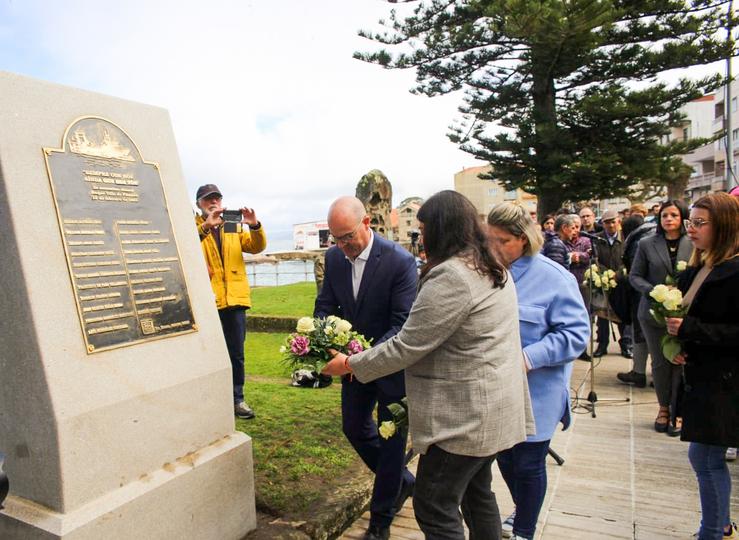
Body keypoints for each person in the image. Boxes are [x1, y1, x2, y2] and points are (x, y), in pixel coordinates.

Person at [322, 190, 533, 540]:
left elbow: (408, 344)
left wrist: (350, 364)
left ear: (442, 229)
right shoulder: (493, 265)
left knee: (434, 506)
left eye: (423, 228)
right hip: (497, 408)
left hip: (466, 420)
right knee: (478, 497)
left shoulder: (452, 276)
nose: (420, 237)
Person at [314, 196, 418, 540]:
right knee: (354, 428)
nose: (342, 246)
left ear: (366, 224)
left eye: (347, 237)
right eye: (335, 238)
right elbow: (325, 306)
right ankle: (401, 481)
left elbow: (401, 325)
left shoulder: (400, 262)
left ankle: (381, 520)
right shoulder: (334, 258)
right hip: (352, 366)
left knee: (392, 442)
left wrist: (362, 360)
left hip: (392, 368)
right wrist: (325, 339)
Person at [487, 203, 590, 540]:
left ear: (523, 239)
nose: (494, 248)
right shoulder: (489, 274)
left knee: (529, 464)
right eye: (489, 239)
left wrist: (529, 357)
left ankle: (524, 531)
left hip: (538, 391)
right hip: (498, 391)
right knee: (504, 459)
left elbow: (576, 335)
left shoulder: (554, 278)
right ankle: (523, 509)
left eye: (502, 241)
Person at [666, 192, 738, 540]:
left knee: (707, 459)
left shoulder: (734, 270)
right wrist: (679, 347)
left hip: (724, 381)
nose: (689, 229)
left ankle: (714, 531)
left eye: (699, 223)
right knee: (704, 458)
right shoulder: (700, 266)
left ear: (722, 226)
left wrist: (691, 331)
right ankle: (719, 526)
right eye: (689, 222)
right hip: (701, 375)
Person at [195, 183, 267, 420]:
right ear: (199, 204)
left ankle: (237, 399)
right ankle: (211, 399)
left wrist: (254, 225)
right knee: (206, 353)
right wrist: (206, 227)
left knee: (236, 353)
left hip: (235, 300)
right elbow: (186, 250)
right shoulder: (193, 227)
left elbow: (256, 247)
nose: (213, 202)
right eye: (207, 200)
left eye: (216, 198)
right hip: (207, 301)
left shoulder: (232, 225)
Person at [629, 200, 691, 435]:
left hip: (684, 313)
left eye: (674, 215)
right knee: (660, 362)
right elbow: (635, 276)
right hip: (654, 312)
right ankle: (663, 408)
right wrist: (653, 292)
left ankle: (679, 411)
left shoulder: (693, 243)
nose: (668, 219)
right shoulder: (646, 244)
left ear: (682, 217)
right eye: (664, 215)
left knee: (681, 361)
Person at [616, 214, 655, 388]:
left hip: (643, 294)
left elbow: (635, 270)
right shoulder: (651, 236)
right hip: (654, 292)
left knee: (643, 335)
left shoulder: (639, 242)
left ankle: (640, 372)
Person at [592, 209, 631, 358]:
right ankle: (602, 344)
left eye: (613, 221)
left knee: (622, 313)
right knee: (602, 314)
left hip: (621, 283)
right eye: (607, 222)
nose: (610, 225)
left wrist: (618, 274)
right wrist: (605, 274)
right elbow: (595, 259)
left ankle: (626, 344)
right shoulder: (597, 239)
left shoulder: (625, 238)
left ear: (618, 222)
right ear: (602, 224)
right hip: (602, 282)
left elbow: (628, 260)